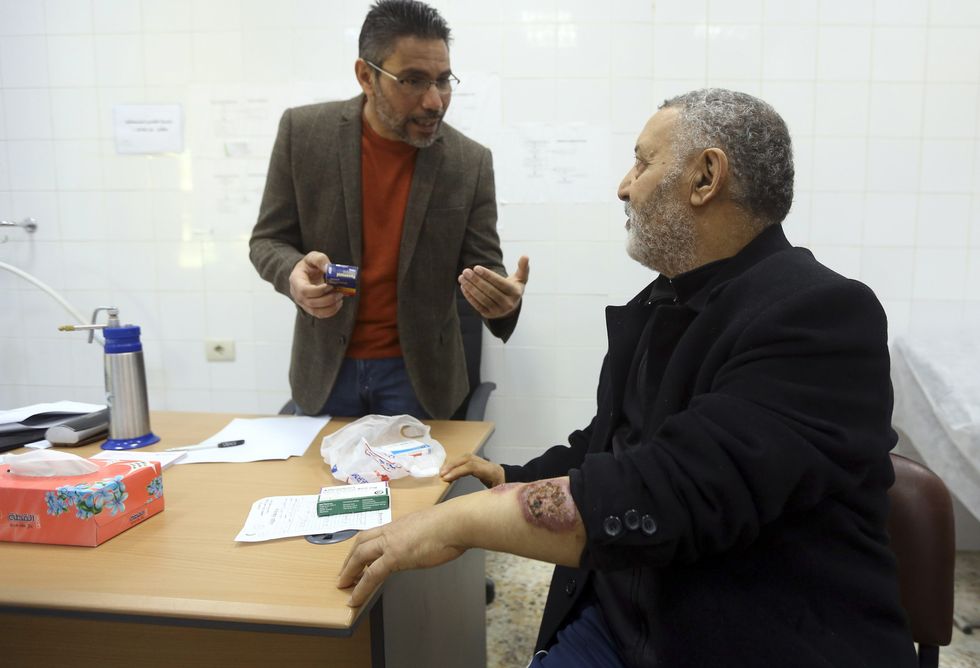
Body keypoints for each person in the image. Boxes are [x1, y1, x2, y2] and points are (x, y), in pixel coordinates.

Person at [337, 88, 918, 667]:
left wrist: (459, 524)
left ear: (705, 176)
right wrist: (513, 477)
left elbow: (668, 489)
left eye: (642, 161)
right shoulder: (664, 300)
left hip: (746, 635)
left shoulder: (820, 316)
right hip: (624, 622)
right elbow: (615, 443)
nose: (624, 185)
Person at [249, 0, 528, 420]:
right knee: (319, 485)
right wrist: (291, 272)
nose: (435, 101)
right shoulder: (303, 135)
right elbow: (267, 240)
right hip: (325, 369)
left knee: (416, 488)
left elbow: (482, 267)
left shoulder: (469, 162)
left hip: (420, 378)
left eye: (443, 80)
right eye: (413, 81)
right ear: (366, 76)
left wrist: (501, 301)